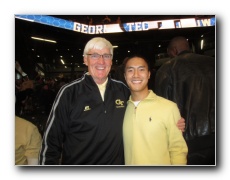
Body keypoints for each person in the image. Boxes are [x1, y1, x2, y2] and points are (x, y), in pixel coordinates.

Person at [39, 37, 185, 165]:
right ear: (85, 59)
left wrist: (172, 120)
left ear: (111, 61)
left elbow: (143, 106)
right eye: (95, 55)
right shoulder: (69, 93)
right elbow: (51, 142)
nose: (101, 61)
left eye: (106, 56)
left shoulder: (122, 90)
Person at [155, 36, 215, 165]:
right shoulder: (214, 63)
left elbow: (160, 106)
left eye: (169, 52)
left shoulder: (167, 69)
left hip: (189, 139)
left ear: (174, 50)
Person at [123, 55, 188, 165]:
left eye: (141, 69)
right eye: (130, 70)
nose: (136, 75)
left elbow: (178, 150)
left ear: (148, 74)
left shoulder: (169, 107)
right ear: (125, 76)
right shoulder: (122, 109)